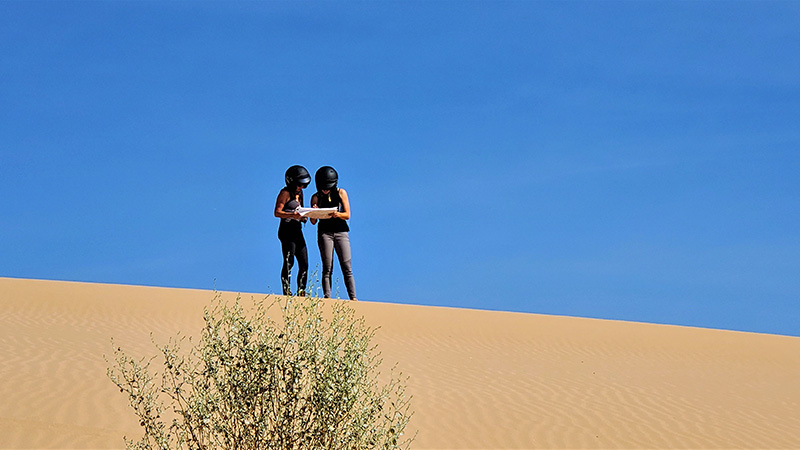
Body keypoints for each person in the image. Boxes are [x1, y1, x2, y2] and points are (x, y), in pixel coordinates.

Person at [310, 166, 357, 300]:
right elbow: (313, 221)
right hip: (325, 233)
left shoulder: (341, 193)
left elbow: (347, 214)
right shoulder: (316, 197)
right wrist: (314, 211)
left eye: (328, 187)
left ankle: (353, 298)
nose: (325, 190)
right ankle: (327, 297)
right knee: (327, 267)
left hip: (341, 232)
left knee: (346, 266)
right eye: (323, 187)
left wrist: (337, 214)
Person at [274, 165, 311, 296]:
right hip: (286, 230)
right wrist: (291, 215)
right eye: (300, 185)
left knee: (304, 263)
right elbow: (277, 212)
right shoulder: (285, 193)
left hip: (297, 229)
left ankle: (301, 291)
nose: (302, 187)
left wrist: (306, 215)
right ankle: (286, 290)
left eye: (304, 185)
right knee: (289, 261)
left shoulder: (300, 194)